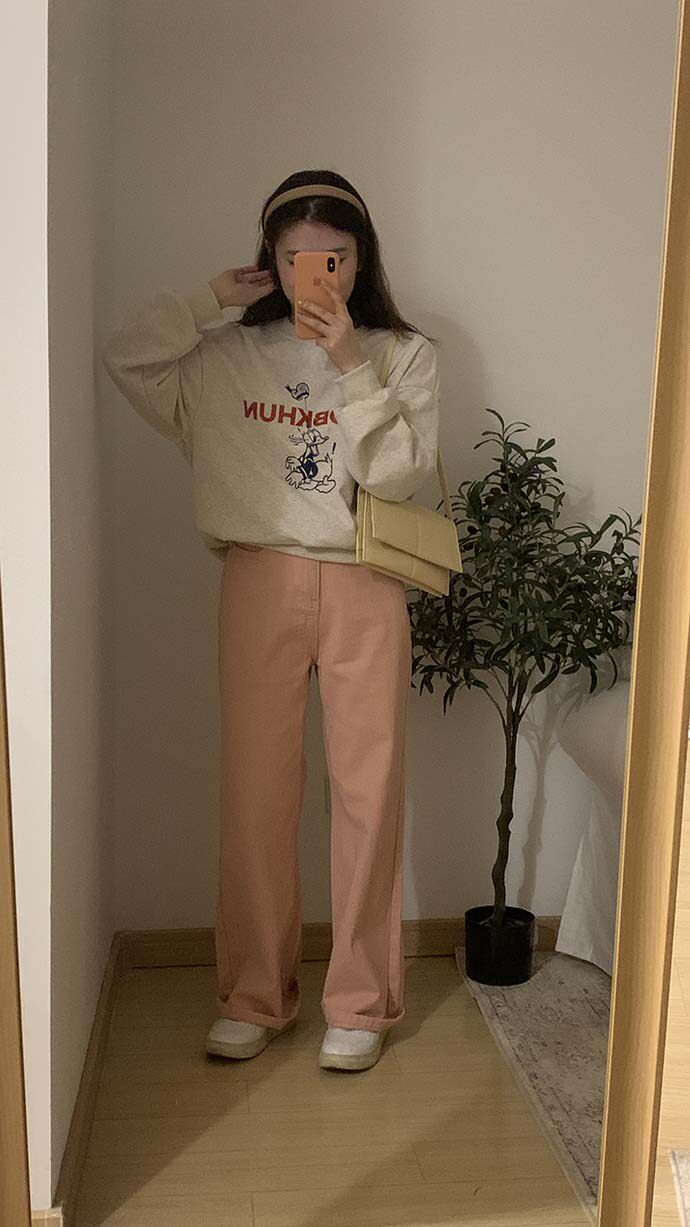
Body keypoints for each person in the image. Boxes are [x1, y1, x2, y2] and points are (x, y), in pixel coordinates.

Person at [101, 168, 440, 1072]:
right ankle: (253, 993)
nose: (315, 274)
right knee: (255, 793)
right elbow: (127, 356)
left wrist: (350, 365)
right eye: (294, 258)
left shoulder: (401, 355)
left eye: (334, 256)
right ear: (269, 259)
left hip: (367, 578)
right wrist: (205, 300)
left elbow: (400, 475)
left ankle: (360, 1004)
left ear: (360, 259)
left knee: (369, 794)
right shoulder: (223, 358)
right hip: (258, 577)